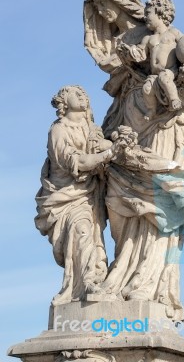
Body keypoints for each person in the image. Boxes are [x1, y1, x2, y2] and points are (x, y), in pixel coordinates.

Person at [84, 0, 184, 320]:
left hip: (167, 128)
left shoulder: (175, 40)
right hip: (138, 125)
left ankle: (147, 281)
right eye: (98, 10)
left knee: (156, 202)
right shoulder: (140, 44)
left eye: (107, 7)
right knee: (121, 199)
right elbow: (134, 68)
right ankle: (123, 271)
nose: (104, 15)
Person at [35, 85, 117, 306]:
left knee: (94, 236)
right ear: (64, 101)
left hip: (91, 193)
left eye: (84, 92)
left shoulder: (92, 128)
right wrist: (110, 153)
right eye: (75, 92)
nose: (82, 94)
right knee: (81, 231)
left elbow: (104, 144)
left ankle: (93, 279)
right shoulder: (59, 131)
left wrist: (111, 143)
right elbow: (77, 163)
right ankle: (80, 286)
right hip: (66, 196)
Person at [117, 0, 183, 120]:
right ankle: (151, 110)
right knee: (147, 89)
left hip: (170, 70)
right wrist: (130, 52)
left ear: (160, 13)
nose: (145, 17)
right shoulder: (148, 38)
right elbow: (141, 54)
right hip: (154, 74)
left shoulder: (173, 33)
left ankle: (174, 100)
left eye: (148, 13)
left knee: (165, 79)